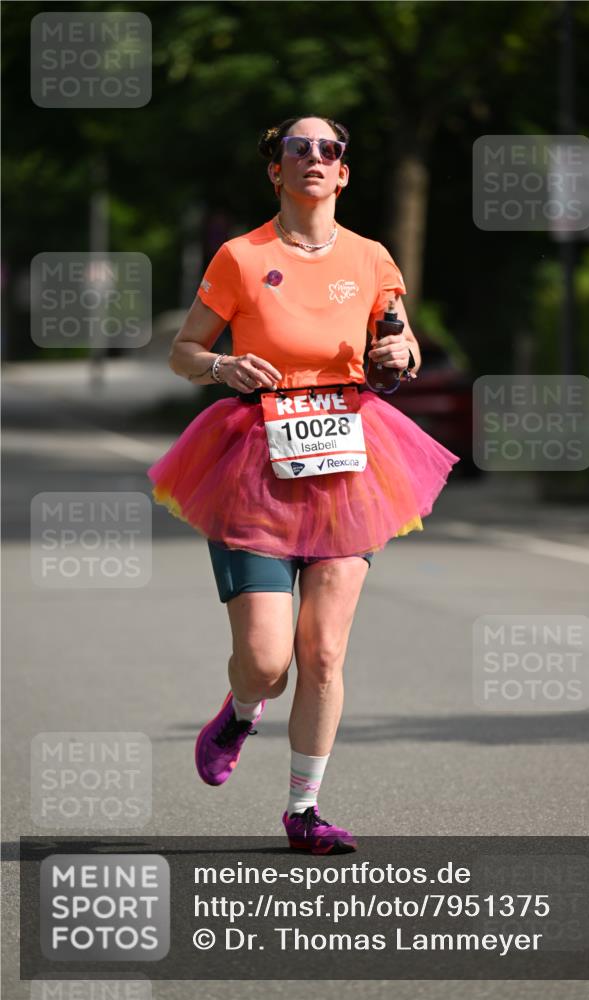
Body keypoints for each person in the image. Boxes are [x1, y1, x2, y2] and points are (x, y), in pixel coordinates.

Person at [147, 115, 459, 855]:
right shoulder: (241, 256)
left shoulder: (371, 256)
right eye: (299, 148)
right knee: (268, 662)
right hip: (255, 462)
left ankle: (304, 810)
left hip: (348, 462)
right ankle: (241, 709)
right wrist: (222, 366)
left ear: (343, 172)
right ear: (277, 170)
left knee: (322, 654)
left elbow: (401, 339)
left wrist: (398, 353)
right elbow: (183, 351)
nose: (315, 157)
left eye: (329, 149)